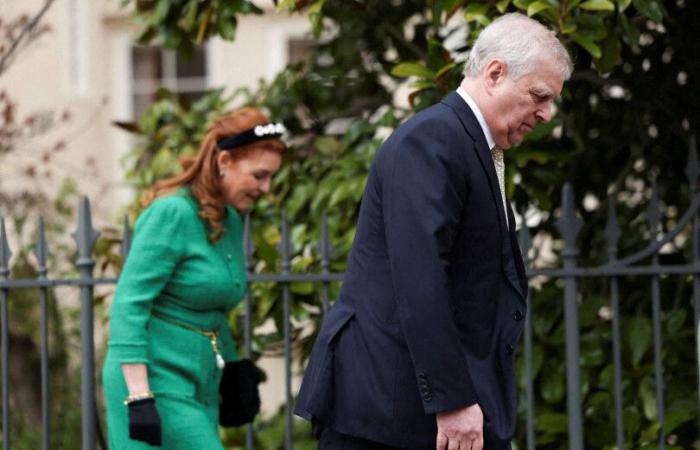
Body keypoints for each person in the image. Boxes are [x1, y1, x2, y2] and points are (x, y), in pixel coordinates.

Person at [294, 13, 572, 450]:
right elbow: (420, 278)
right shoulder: (434, 141)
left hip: (416, 410)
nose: (547, 113)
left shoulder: (464, 142)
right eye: (540, 95)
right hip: (391, 414)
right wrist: (453, 400)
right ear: (495, 73)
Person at [102, 108, 285, 449]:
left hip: (201, 384)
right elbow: (129, 304)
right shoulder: (172, 213)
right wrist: (139, 396)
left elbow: (212, 310)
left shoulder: (228, 218)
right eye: (259, 175)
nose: (266, 187)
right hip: (154, 381)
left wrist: (232, 371)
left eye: (271, 177)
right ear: (225, 160)